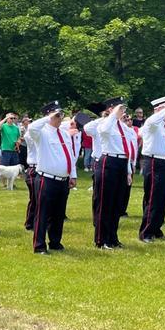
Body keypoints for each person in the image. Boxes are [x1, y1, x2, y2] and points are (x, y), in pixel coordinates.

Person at [26, 102, 77, 254]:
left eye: (61, 115)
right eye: (57, 115)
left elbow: (70, 155)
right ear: (48, 115)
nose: (60, 117)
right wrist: (48, 117)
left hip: (62, 179)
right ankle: (39, 245)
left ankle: (55, 242)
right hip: (46, 178)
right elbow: (31, 128)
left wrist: (72, 175)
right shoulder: (41, 132)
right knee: (43, 213)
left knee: (58, 213)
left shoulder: (63, 133)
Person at [84, 99, 130, 249]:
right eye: (120, 108)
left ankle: (112, 237)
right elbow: (102, 130)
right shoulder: (104, 123)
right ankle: (101, 239)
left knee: (117, 203)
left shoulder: (122, 126)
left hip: (121, 162)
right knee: (104, 202)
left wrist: (128, 170)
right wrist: (111, 115)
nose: (123, 111)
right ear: (111, 109)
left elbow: (126, 148)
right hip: (108, 161)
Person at [138, 96, 165, 242]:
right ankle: (146, 232)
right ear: (159, 110)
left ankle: (156, 227)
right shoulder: (153, 123)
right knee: (153, 198)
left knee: (162, 198)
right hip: (156, 162)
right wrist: (163, 110)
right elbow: (151, 121)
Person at [118, 109, 138, 218]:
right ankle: (118, 209)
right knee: (121, 187)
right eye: (126, 118)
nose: (128, 120)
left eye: (130, 119)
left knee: (127, 187)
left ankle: (123, 209)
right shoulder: (119, 131)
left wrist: (134, 163)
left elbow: (133, 148)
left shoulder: (132, 131)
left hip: (130, 161)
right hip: (122, 160)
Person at [22, 111, 39, 232]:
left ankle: (37, 221)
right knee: (34, 197)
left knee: (40, 198)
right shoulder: (29, 135)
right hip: (33, 168)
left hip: (41, 168)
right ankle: (30, 222)